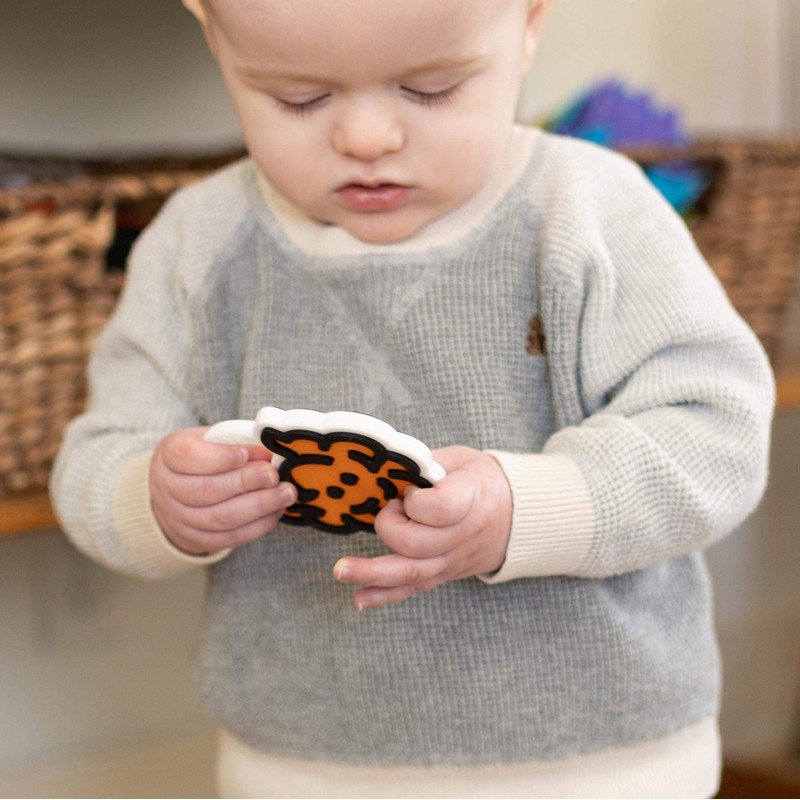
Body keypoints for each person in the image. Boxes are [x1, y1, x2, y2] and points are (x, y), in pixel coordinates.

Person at [50, 0, 775, 796]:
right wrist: (152, 500)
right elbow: (97, 457)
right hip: (305, 761)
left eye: (431, 89)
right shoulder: (199, 241)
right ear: (212, 32)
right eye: (299, 98)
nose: (367, 139)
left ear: (530, 23)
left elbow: (716, 435)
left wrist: (527, 506)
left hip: (602, 758)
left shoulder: (593, 209)